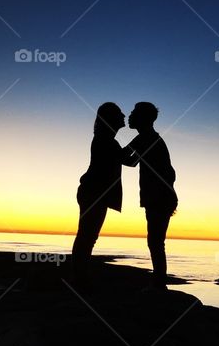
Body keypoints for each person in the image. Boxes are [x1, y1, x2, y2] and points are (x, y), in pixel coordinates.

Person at [70, 102, 132, 289]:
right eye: (120, 113)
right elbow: (129, 160)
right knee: (87, 236)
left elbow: (127, 160)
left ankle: (79, 276)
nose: (124, 115)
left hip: (94, 192)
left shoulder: (106, 139)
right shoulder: (105, 140)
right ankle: (79, 279)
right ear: (112, 118)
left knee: (87, 236)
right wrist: (142, 141)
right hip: (93, 192)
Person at [124, 102, 177, 291]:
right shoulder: (147, 138)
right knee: (156, 241)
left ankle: (159, 284)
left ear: (143, 118)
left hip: (159, 197)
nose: (129, 116)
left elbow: (127, 159)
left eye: (133, 113)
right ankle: (158, 282)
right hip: (160, 196)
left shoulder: (146, 138)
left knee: (155, 241)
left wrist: (108, 146)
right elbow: (131, 160)